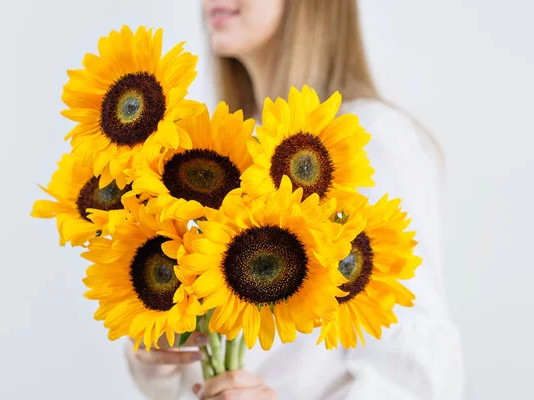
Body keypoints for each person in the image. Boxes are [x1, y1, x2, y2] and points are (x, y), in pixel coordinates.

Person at [126, 0, 463, 399]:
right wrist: (156, 350)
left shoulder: (371, 139)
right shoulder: (224, 153)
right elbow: (209, 368)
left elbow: (419, 373)